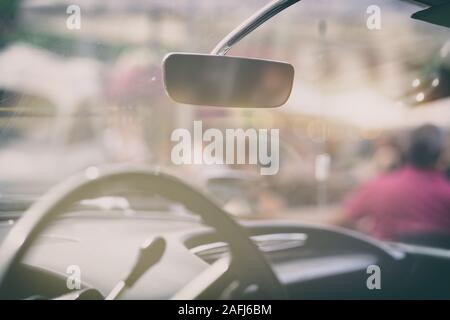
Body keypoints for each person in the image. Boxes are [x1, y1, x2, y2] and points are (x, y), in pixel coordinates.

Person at [331, 124, 450, 247]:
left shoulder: (378, 187)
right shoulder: (446, 193)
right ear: (441, 155)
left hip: (387, 265)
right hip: (440, 266)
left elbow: (338, 221)